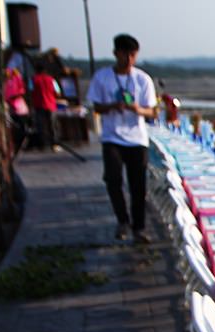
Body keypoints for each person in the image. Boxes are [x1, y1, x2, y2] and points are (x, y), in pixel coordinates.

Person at [86, 33, 157, 243]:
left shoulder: (142, 79)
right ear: (116, 53)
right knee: (113, 179)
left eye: (132, 55)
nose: (128, 59)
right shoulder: (102, 77)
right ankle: (122, 220)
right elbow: (96, 106)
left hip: (137, 138)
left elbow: (152, 112)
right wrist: (112, 106)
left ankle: (139, 227)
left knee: (138, 185)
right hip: (112, 137)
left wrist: (138, 109)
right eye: (124, 54)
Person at [30, 61, 59, 151]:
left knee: (40, 126)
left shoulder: (33, 79)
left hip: (39, 105)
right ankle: (54, 144)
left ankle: (42, 145)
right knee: (52, 126)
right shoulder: (51, 79)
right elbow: (57, 92)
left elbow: (30, 91)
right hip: (51, 105)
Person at [4, 67, 31, 151]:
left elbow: (21, 90)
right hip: (13, 108)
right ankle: (18, 144)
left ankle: (22, 144)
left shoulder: (15, 80)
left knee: (21, 127)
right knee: (16, 127)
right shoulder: (8, 82)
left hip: (19, 108)